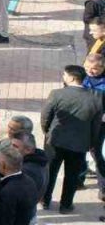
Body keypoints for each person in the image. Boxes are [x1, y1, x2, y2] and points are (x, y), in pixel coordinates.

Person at [40, 64, 103, 213]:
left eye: (65, 75)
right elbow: (96, 124)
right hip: (79, 143)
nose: (63, 77)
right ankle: (66, 205)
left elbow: (45, 116)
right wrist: (92, 142)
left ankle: (45, 200)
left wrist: (47, 132)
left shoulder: (57, 94)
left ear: (72, 78)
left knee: (50, 171)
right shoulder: (97, 97)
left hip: (55, 140)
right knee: (72, 175)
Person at [0, 145, 38, 225]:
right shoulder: (29, 181)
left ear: (3, 165)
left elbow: (4, 220)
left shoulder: (8, 192)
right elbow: (8, 185)